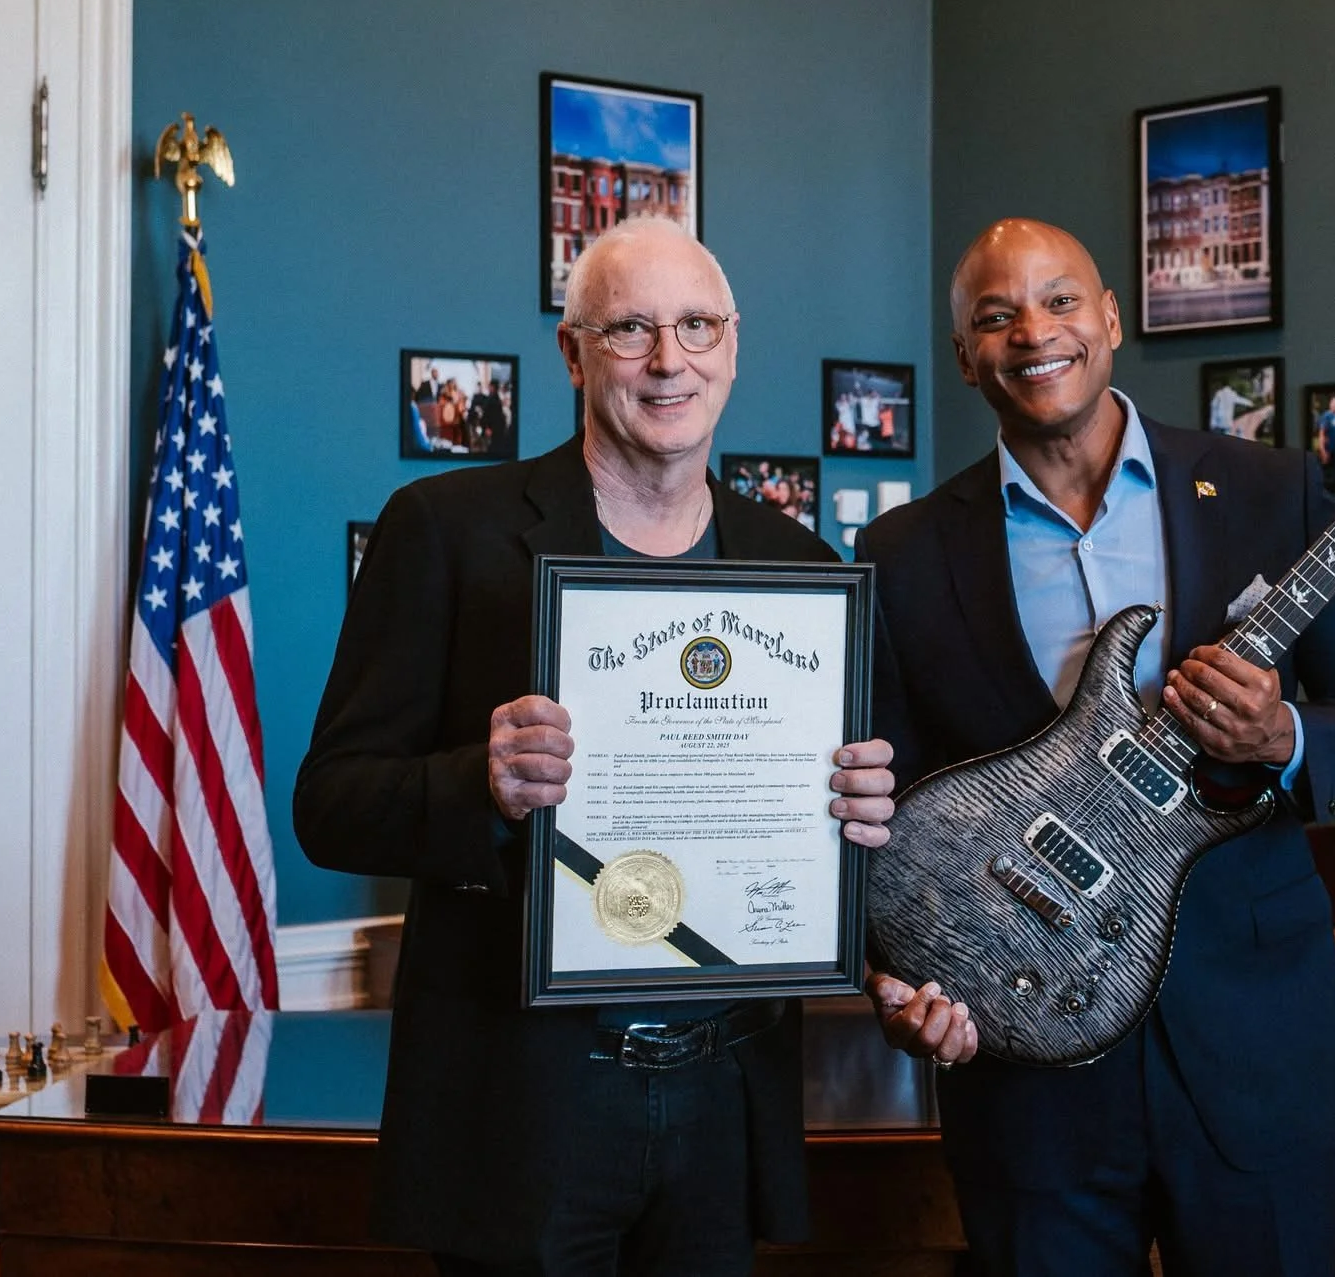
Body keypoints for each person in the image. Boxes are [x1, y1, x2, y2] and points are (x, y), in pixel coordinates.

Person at [295, 216, 897, 1277]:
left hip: (725, 1093)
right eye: (629, 330)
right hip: (524, 1099)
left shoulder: (796, 562)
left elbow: (837, 826)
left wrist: (855, 806)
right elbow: (331, 803)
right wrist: (477, 783)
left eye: (695, 326)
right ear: (572, 353)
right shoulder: (446, 528)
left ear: (733, 343)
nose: (670, 360)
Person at [857, 218, 1335, 1276]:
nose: (1033, 332)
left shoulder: (1269, 493)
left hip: (1255, 1057)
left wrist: (1284, 735)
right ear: (964, 358)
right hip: (1024, 1074)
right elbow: (882, 817)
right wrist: (893, 978)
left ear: (1110, 319)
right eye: (996, 316)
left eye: (1060, 300)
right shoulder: (901, 555)